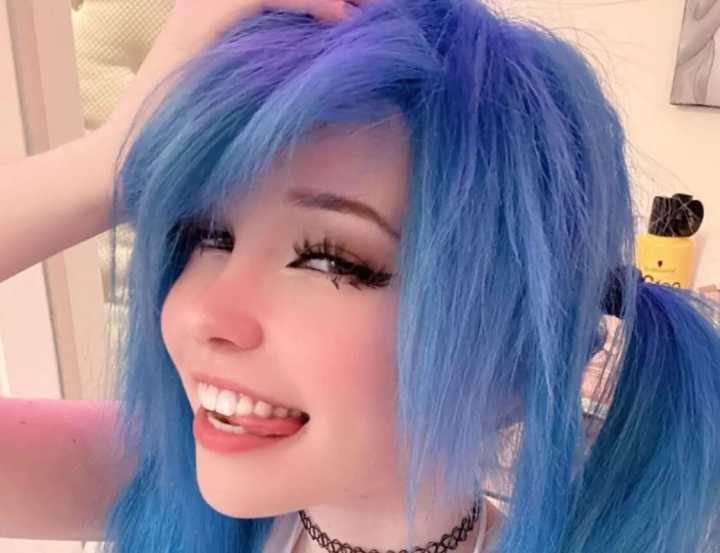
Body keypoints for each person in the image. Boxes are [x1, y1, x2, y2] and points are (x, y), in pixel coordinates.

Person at [1, 1, 719, 553]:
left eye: (331, 259)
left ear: (516, 353)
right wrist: (107, 164)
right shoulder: (160, 480)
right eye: (207, 236)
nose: (199, 314)